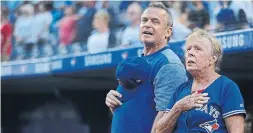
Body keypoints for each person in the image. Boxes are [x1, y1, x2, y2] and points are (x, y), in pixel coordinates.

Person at [105, 2, 188, 133]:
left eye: (155, 21)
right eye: (144, 20)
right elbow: (131, 111)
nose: (147, 24)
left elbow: (165, 123)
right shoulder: (139, 61)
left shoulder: (168, 64)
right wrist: (113, 102)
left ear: (168, 32)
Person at [154, 28, 246, 133]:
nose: (190, 53)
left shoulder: (227, 87)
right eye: (188, 49)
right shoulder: (180, 90)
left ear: (212, 58)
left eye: (197, 49)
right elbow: (159, 130)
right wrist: (178, 107)